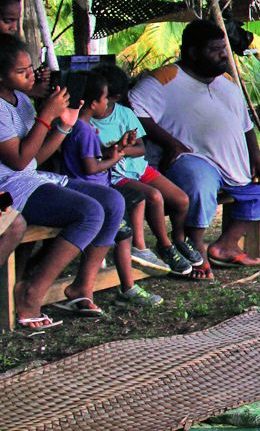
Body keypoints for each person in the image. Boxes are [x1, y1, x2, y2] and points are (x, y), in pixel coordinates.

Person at [129, 20, 260, 278]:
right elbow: (134, 110)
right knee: (199, 183)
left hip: (234, 161)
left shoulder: (225, 81)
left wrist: (256, 156)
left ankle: (225, 245)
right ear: (192, 52)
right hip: (193, 158)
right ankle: (194, 249)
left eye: (223, 48)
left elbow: (246, 124)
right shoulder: (165, 79)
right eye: (215, 50)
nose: (224, 54)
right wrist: (171, 143)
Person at [0, 34, 126, 329]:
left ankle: (81, 287)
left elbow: (37, 157)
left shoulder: (22, 102)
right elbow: (18, 161)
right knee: (89, 212)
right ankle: (32, 292)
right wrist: (46, 115)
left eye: (30, 68)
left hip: (31, 177)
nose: (32, 75)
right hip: (8, 188)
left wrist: (63, 125)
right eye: (22, 72)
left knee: (112, 201)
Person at [56, 74, 164, 309]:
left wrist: (119, 148)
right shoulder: (84, 131)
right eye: (106, 99)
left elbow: (93, 158)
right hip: (92, 192)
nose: (108, 105)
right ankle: (127, 286)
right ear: (92, 103)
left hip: (95, 189)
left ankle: (128, 279)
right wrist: (115, 158)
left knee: (132, 211)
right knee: (122, 233)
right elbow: (92, 167)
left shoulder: (80, 128)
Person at [91, 66, 193, 276]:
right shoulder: (88, 121)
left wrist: (122, 149)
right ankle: (164, 246)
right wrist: (112, 152)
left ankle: (179, 240)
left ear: (115, 97)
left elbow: (140, 149)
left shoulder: (125, 114)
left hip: (139, 168)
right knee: (153, 197)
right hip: (117, 175)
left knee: (181, 200)